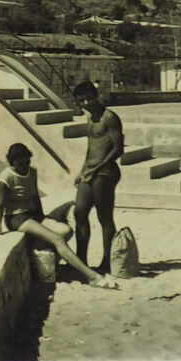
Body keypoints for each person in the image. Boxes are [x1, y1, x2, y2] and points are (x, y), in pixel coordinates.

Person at [0, 143, 118, 289]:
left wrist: (43, 218)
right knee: (57, 239)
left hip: (33, 215)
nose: (25, 166)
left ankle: (42, 249)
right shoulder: (5, 177)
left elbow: (35, 196)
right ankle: (91, 276)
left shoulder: (32, 172)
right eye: (20, 163)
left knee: (66, 230)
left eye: (27, 162)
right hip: (17, 218)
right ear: (12, 161)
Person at [72, 80, 125, 275]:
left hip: (106, 172)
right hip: (90, 171)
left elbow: (117, 149)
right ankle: (81, 260)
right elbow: (91, 148)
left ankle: (107, 261)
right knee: (79, 212)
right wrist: (82, 170)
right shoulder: (90, 119)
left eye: (88, 98)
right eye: (81, 100)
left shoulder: (109, 118)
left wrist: (96, 169)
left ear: (96, 96)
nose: (86, 103)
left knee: (104, 217)